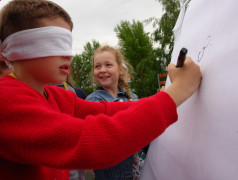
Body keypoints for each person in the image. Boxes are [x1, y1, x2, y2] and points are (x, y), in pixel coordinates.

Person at [0, 0, 202, 179]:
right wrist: (179, 90)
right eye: (55, 43)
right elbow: (93, 141)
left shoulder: (55, 96)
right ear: (20, 46)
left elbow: (107, 111)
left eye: (68, 44)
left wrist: (163, 97)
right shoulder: (6, 99)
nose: (68, 55)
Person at [86, 46, 143, 180]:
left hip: (138, 170)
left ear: (120, 69)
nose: (103, 70)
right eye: (97, 66)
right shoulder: (93, 100)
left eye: (108, 65)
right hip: (112, 174)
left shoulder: (132, 96)